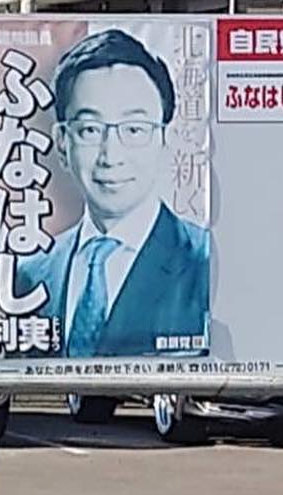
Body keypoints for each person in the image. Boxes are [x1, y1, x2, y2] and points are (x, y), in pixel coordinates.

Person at [17, 27, 209, 359]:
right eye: (90, 129)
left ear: (165, 139)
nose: (111, 156)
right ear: (62, 143)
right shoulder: (32, 273)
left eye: (134, 129)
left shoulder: (208, 262)